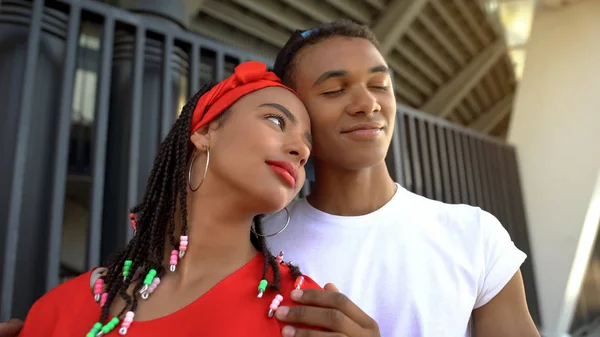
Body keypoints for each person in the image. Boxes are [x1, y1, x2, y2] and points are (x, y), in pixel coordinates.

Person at [262, 20, 541, 337]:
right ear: (294, 113)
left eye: (380, 84)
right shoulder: (259, 241)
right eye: (334, 90)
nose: (368, 104)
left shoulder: (474, 235)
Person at [16, 61, 322, 337]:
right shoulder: (57, 310)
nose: (302, 151)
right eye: (277, 121)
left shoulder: (304, 309)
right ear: (205, 131)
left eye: (308, 147)